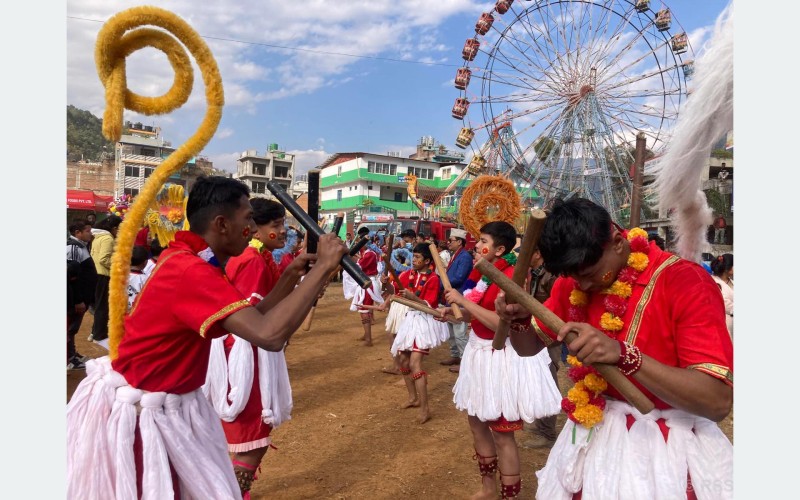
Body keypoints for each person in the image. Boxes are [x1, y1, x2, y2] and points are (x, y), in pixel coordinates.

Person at [66, 176, 348, 499]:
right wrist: (323, 268)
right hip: (144, 415)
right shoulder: (191, 270)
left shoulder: (194, 260)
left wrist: (289, 277)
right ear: (221, 224)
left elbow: (254, 317)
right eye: (248, 220)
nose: (254, 230)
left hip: (164, 404)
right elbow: (269, 335)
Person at [497, 197, 733, 499]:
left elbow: (717, 402)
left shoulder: (686, 281)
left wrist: (625, 356)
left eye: (590, 273)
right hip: (594, 436)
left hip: (668, 448)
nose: (581, 286)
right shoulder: (571, 284)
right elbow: (528, 348)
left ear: (619, 243)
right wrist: (518, 321)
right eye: (572, 276)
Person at [442, 221, 561, 500]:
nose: (476, 246)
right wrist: (453, 310)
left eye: (482, 240)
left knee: (502, 434)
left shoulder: (512, 276)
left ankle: (510, 496)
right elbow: (475, 314)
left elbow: (500, 324)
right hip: (477, 353)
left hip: (500, 358)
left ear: (500, 248)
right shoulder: (481, 273)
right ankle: (488, 489)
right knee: (476, 423)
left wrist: (464, 301)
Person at [205, 197, 293, 498]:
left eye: (283, 224)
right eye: (276, 225)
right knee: (251, 441)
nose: (283, 232)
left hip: (243, 350)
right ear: (254, 229)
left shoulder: (256, 257)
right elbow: (256, 317)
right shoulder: (252, 260)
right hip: (246, 355)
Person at [381, 243, 448, 424]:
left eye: (418, 258)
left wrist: (413, 297)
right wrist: (385, 284)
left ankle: (425, 409)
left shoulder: (433, 279)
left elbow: (430, 305)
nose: (415, 261)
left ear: (427, 261)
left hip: (424, 322)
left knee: (415, 363)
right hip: (409, 320)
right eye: (414, 257)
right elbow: (392, 293)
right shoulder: (406, 274)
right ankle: (413, 398)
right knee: (403, 360)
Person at [518, 245, 560, 449]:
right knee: (536, 377)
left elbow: (558, 306)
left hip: (550, 334)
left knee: (548, 379)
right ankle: (541, 423)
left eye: (526, 252)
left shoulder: (551, 275)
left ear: (538, 253)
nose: (522, 256)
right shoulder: (533, 273)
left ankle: (548, 432)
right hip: (537, 331)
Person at [439, 228, 474, 373]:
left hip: (458, 297)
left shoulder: (464, 257)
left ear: (459, 242)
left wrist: (441, 282)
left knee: (460, 332)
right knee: (452, 331)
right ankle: (455, 355)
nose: (448, 243)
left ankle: (465, 361)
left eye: (451, 240)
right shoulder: (456, 255)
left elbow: (459, 277)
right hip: (451, 296)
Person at [343, 225, 384, 346]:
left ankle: (368, 339)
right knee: (364, 309)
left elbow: (360, 266)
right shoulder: (367, 253)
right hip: (367, 282)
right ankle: (366, 335)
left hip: (367, 284)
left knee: (364, 310)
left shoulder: (370, 254)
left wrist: (352, 259)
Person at [67, 218, 97, 370]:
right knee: (69, 328)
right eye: (87, 231)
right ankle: (68, 358)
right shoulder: (73, 248)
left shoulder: (82, 246)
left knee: (73, 328)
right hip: (76, 299)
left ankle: (71, 354)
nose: (90, 234)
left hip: (83, 297)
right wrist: (78, 300)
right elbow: (72, 278)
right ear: (77, 233)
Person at [89, 214, 123, 350]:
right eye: (118, 229)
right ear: (114, 228)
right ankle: (99, 335)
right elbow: (104, 259)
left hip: (98, 273)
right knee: (103, 306)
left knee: (100, 305)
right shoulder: (108, 238)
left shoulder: (98, 236)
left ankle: (95, 332)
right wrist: (118, 266)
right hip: (104, 275)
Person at [711, 253, 733, 338]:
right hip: (724, 323)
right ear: (728, 267)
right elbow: (724, 303)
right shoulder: (713, 282)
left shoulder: (731, 281)